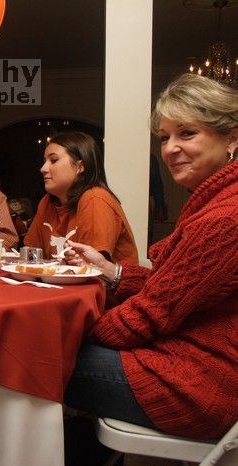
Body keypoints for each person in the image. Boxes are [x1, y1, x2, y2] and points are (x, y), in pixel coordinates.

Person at [63, 73, 237, 442]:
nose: (170, 148)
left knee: (39, 359)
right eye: (164, 137)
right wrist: (114, 273)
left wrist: (81, 332)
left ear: (231, 139)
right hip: (198, 367)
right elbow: (179, 286)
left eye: (187, 133)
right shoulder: (215, 201)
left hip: (202, 386)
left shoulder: (226, 217)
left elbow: (152, 313)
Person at [24, 131, 138, 263]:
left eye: (54, 160)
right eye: (45, 161)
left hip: (105, 283)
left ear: (80, 166)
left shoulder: (95, 199)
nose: (43, 168)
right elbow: (31, 257)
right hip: (60, 283)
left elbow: (93, 269)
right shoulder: (47, 202)